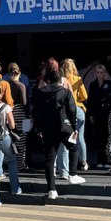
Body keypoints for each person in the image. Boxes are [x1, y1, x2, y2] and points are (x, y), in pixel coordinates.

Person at [32, 63, 79, 201]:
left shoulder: (41, 93)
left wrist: (38, 128)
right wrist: (74, 127)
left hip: (47, 129)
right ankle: (73, 173)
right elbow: (72, 110)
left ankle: (51, 189)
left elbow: (36, 111)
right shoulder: (65, 92)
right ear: (60, 80)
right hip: (64, 127)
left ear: (48, 80)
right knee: (74, 147)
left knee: (49, 159)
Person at [56, 59, 88, 183]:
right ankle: (83, 162)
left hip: (65, 111)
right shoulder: (77, 79)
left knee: (64, 141)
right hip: (78, 109)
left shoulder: (61, 80)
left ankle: (63, 171)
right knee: (80, 137)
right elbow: (85, 96)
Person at [84, 63, 111, 169]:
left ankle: (108, 160)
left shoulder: (109, 84)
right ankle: (100, 159)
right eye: (97, 72)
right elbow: (90, 100)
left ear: (104, 73)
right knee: (98, 137)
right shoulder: (92, 85)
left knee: (108, 137)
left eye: (101, 72)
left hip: (107, 113)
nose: (99, 74)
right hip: (96, 113)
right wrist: (90, 114)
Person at [5, 63, 29, 171]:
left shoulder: (6, 84)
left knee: (10, 138)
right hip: (20, 113)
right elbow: (24, 102)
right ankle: (20, 164)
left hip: (8, 111)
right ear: (19, 73)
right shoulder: (21, 85)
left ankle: (8, 160)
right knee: (21, 139)